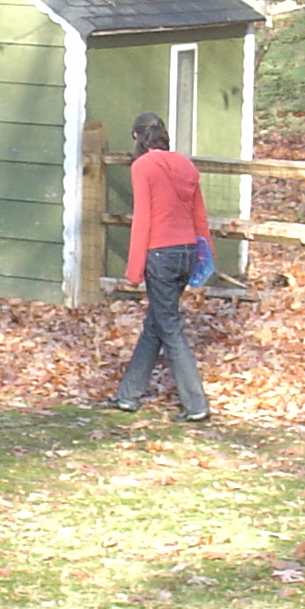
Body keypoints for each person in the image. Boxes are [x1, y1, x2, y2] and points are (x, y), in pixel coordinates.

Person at [107, 110, 213, 423]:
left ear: (137, 137)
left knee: (169, 327)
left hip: (160, 254)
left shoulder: (143, 167)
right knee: (156, 323)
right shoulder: (186, 164)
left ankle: (196, 404)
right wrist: (204, 256)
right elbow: (199, 215)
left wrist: (134, 268)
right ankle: (128, 395)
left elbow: (143, 218)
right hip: (187, 251)